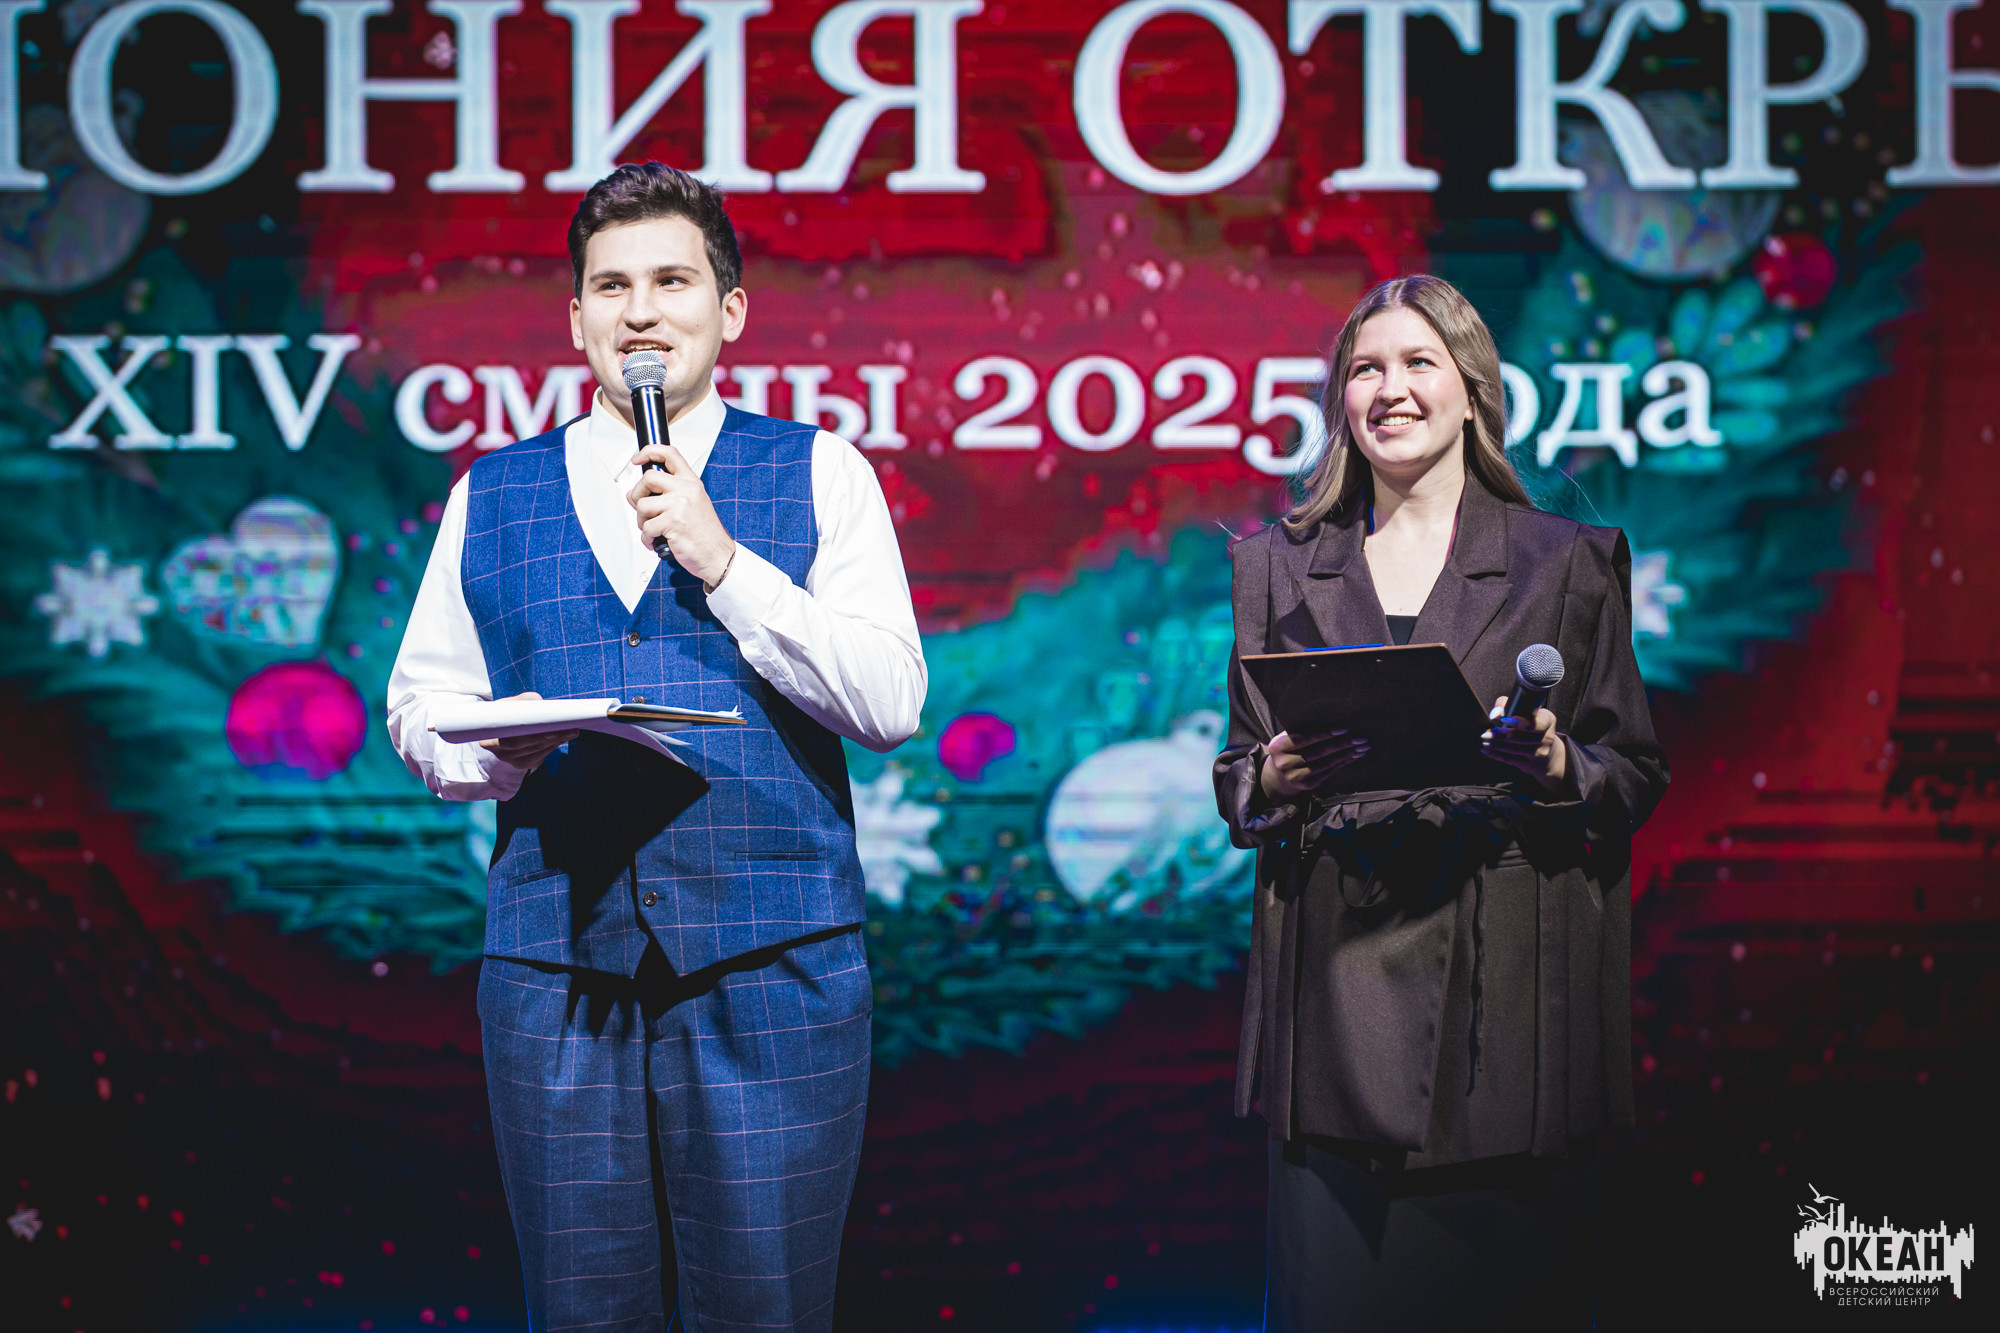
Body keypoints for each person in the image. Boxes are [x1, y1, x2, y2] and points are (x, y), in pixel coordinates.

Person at [386, 162, 926, 1332]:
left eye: (672, 282)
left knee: (766, 1307)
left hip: (772, 965)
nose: (640, 312)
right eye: (611, 286)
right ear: (575, 317)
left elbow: (889, 699)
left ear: (729, 311)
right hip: (556, 972)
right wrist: (495, 751)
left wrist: (724, 562)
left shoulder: (819, 470)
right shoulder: (493, 493)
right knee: (581, 1309)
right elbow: (420, 705)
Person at [1213, 275, 1668, 1329]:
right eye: (1365, 369)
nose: (1391, 390)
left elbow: (1632, 770)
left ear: (1471, 391)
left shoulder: (1564, 563)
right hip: (1337, 998)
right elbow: (1238, 769)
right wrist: (1271, 778)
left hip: (1503, 1005)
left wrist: (1556, 765)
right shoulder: (1278, 567)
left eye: (1418, 363)